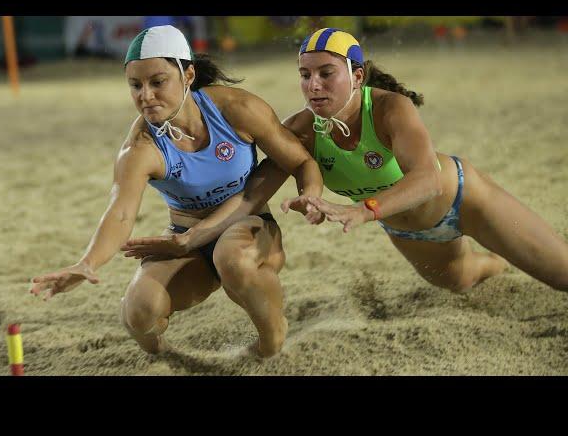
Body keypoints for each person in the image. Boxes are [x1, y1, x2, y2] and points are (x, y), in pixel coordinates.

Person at [123, 27, 568, 304]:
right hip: (409, 230)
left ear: (356, 76)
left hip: (467, 201)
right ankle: (498, 263)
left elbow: (429, 179)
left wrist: (363, 210)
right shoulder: (300, 131)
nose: (312, 85)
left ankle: (513, 249)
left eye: (325, 73)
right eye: (304, 74)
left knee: (563, 275)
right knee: (463, 279)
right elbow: (253, 195)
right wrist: (194, 238)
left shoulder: (390, 109)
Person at [30, 25, 323, 358]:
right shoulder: (139, 148)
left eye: (157, 82)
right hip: (183, 239)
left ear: (188, 75)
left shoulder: (237, 110)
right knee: (139, 313)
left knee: (233, 258)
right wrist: (87, 263)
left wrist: (310, 194)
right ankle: (174, 360)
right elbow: (121, 211)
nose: (146, 96)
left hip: (249, 228)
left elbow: (300, 161)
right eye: (135, 85)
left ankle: (271, 341)